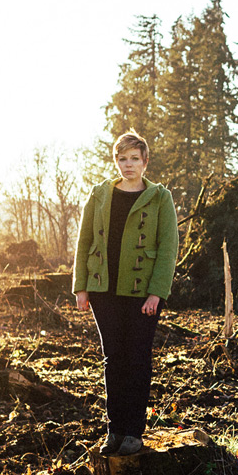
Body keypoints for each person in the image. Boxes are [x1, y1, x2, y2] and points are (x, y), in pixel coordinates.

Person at [73, 130, 179, 456]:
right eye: (122, 158)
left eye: (134, 158)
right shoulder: (100, 194)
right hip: (103, 290)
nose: (128, 164)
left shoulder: (160, 197)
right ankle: (114, 431)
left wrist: (156, 294)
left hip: (141, 293)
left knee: (138, 358)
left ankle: (134, 432)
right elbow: (84, 240)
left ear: (145, 161)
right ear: (115, 160)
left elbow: (167, 249)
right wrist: (81, 287)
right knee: (113, 358)